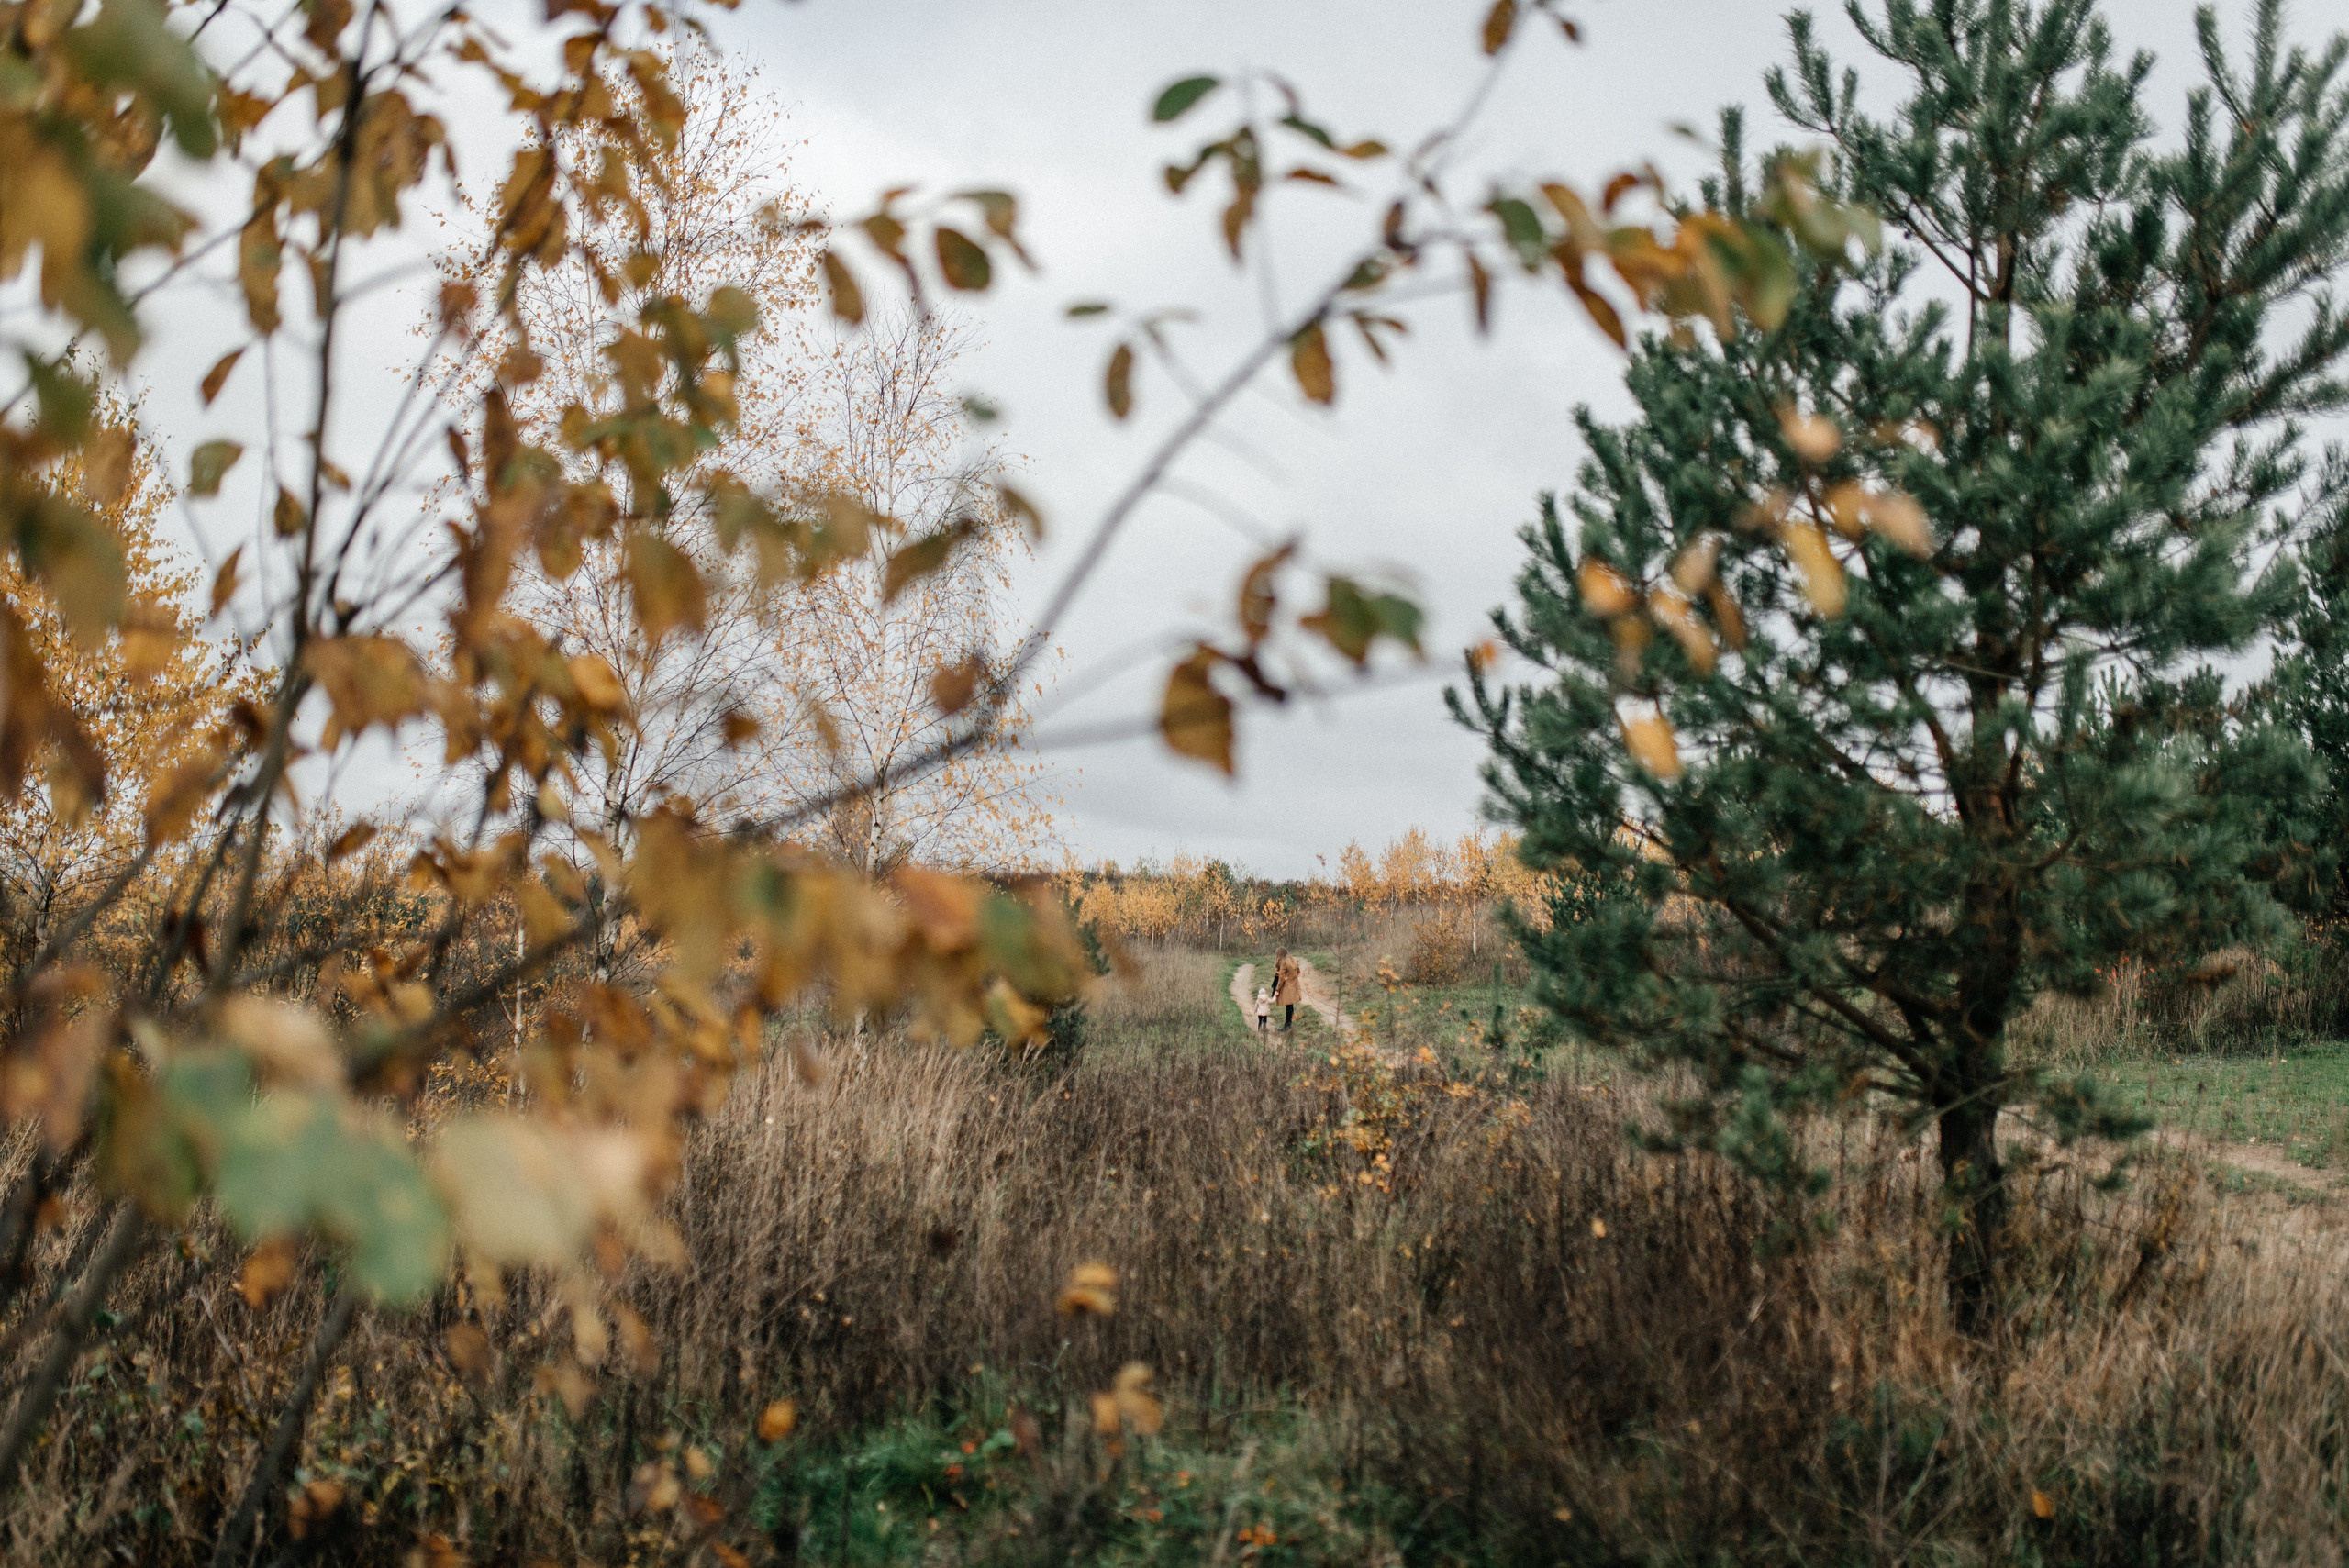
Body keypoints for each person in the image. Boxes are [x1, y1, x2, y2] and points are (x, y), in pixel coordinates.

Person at [1272, 947, 1302, 1031]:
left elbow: (1281, 977)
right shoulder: (1293, 959)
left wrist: (1277, 989)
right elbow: (1298, 971)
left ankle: (1287, 1025)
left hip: (1287, 986)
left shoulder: (1284, 962)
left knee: (1288, 1006)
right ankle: (1289, 1023)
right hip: (1294, 984)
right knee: (1290, 1005)